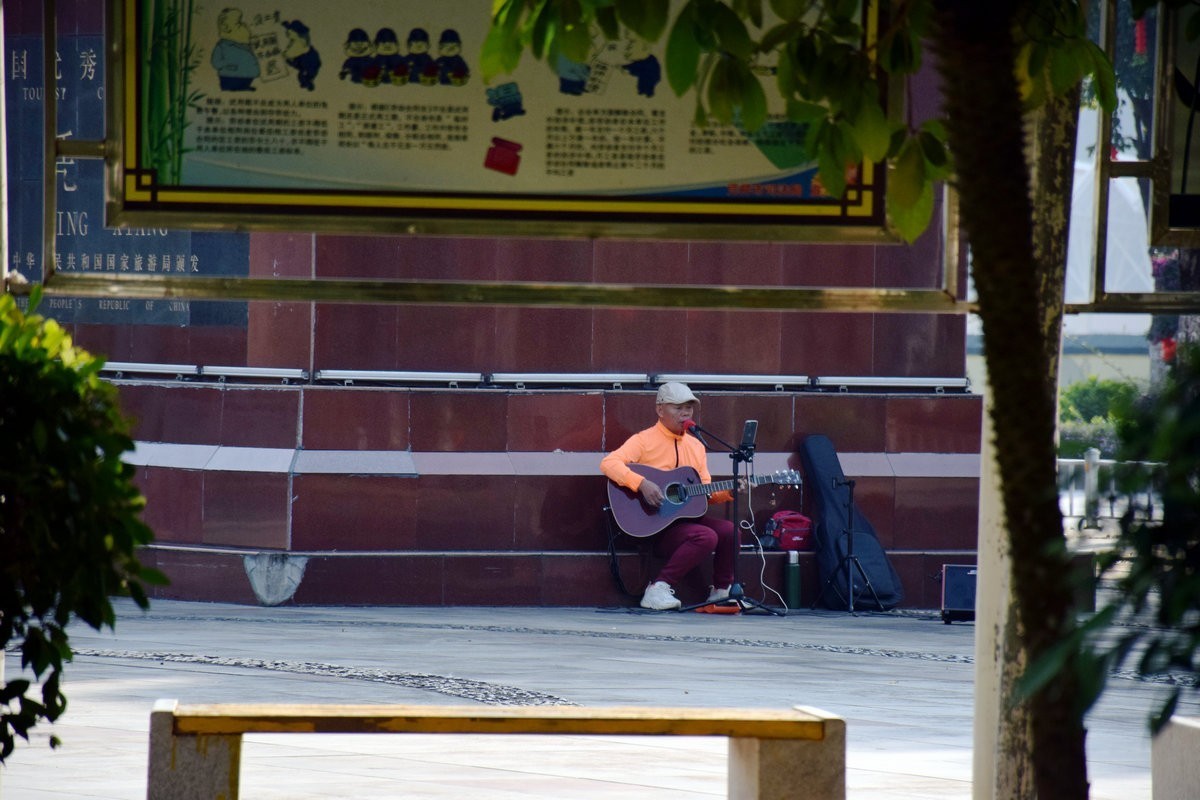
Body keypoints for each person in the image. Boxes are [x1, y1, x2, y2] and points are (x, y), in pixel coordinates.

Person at [600, 382, 741, 610]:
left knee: (729, 531)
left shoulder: (696, 446)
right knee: (705, 536)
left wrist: (728, 492)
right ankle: (658, 589)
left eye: (689, 407)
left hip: (684, 523)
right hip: (652, 525)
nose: (685, 413)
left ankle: (720, 592)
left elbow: (704, 491)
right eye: (677, 407)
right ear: (659, 410)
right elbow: (609, 463)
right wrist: (642, 484)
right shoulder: (644, 440)